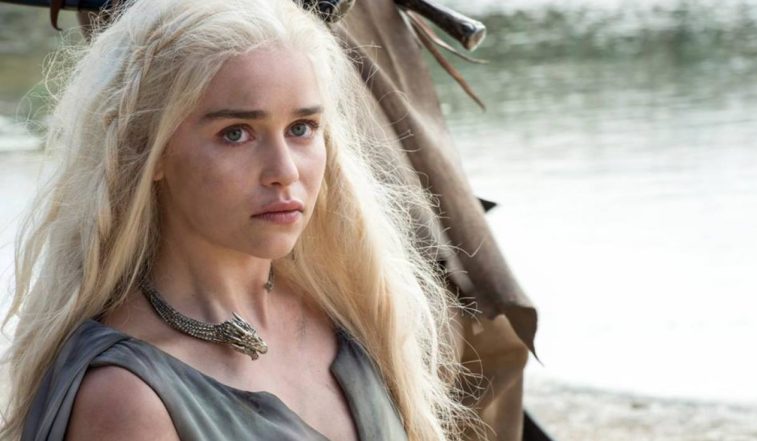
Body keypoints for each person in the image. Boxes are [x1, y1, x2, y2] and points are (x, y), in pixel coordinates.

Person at [0, 0, 486, 440]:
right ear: (150, 150)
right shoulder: (127, 401)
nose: (284, 171)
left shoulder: (355, 312)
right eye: (236, 133)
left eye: (302, 128)